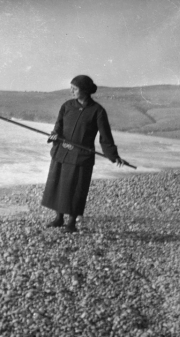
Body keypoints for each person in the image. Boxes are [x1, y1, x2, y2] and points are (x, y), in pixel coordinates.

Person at [41, 75, 125, 233]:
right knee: (58, 184)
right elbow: (58, 126)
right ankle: (58, 218)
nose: (71, 90)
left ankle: (71, 223)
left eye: (75, 88)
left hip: (81, 156)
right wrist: (54, 135)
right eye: (71, 87)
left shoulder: (97, 111)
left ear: (85, 91)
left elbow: (105, 136)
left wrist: (113, 155)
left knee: (76, 188)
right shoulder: (67, 106)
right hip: (62, 152)